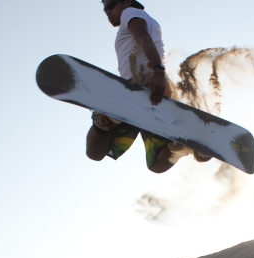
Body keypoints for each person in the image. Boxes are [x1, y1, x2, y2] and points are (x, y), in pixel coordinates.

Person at [87, 0, 210, 173]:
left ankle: (107, 119)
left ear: (126, 1)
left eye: (111, 5)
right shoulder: (144, 19)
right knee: (156, 164)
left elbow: (144, 38)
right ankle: (192, 144)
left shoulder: (129, 14)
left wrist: (157, 71)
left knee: (94, 151)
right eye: (105, 8)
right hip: (156, 95)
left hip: (138, 87)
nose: (107, 11)